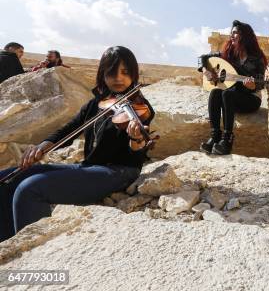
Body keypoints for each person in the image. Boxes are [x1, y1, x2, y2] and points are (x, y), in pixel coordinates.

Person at [0, 46, 154, 241]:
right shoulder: (96, 103)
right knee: (7, 179)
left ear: (134, 74)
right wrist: (42, 146)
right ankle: (6, 245)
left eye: (125, 72)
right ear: (102, 74)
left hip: (119, 171)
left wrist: (136, 139)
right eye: (111, 72)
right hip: (89, 167)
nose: (118, 78)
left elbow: (137, 152)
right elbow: (69, 129)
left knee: (31, 188)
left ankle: (30, 250)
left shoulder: (141, 107)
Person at [197, 20, 267, 155]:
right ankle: (215, 136)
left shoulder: (256, 58)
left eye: (235, 33)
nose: (232, 36)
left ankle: (227, 141)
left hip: (250, 99)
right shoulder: (228, 54)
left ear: (244, 36)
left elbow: (261, 82)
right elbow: (203, 58)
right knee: (216, 92)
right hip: (231, 95)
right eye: (232, 33)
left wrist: (253, 85)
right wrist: (206, 70)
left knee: (227, 94)